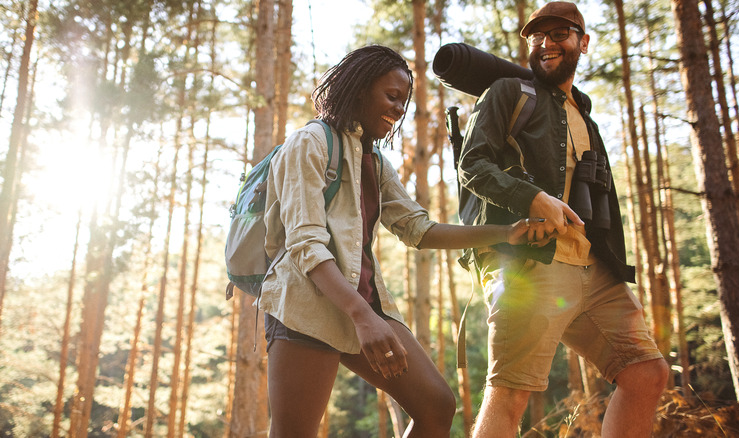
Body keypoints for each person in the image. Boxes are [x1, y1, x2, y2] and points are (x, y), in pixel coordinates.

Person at [257, 44, 535, 438]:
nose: (400, 109)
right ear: (358, 90)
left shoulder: (375, 161)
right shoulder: (310, 142)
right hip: (307, 307)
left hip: (365, 306)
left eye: (404, 101)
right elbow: (306, 242)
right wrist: (362, 316)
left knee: (437, 406)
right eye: (392, 96)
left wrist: (506, 234)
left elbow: (418, 229)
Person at [457, 3, 670, 437]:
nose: (546, 44)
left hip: (594, 267)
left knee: (646, 373)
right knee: (511, 394)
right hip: (530, 262)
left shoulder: (584, 114)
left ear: (582, 42)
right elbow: (471, 165)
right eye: (537, 36)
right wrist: (532, 198)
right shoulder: (506, 93)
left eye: (559, 35)